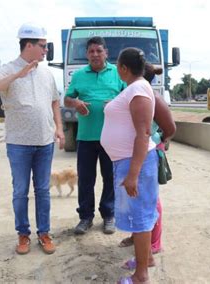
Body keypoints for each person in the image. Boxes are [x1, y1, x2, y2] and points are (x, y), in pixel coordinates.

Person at [0, 22, 65, 255]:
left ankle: (44, 233)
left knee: (43, 191)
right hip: (19, 143)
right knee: (20, 191)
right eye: (43, 45)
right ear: (28, 45)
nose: (46, 50)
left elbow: (54, 102)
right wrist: (18, 74)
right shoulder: (8, 69)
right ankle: (23, 234)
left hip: (44, 143)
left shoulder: (47, 73)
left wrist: (58, 127)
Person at [101, 47, 158, 284]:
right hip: (126, 161)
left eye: (117, 66)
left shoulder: (137, 89)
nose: (116, 70)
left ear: (123, 68)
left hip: (136, 163)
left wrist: (133, 174)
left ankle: (141, 275)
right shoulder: (134, 88)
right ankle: (147, 260)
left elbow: (143, 133)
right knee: (139, 215)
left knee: (141, 217)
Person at [64, 36, 125, 235]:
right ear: (87, 54)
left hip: (112, 137)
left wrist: (116, 104)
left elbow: (129, 97)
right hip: (85, 137)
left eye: (99, 51)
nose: (95, 55)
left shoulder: (118, 73)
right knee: (86, 179)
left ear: (106, 53)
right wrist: (76, 104)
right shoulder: (79, 75)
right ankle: (85, 217)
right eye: (91, 51)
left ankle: (109, 215)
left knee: (110, 177)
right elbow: (67, 98)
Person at [118, 63, 176, 256]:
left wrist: (157, 139)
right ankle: (138, 237)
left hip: (148, 151)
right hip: (133, 152)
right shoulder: (132, 93)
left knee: (150, 200)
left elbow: (170, 128)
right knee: (136, 199)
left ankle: (154, 242)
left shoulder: (153, 97)